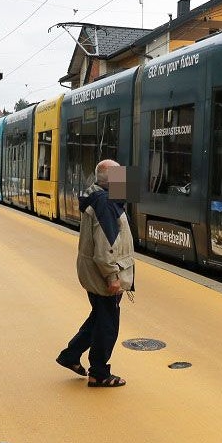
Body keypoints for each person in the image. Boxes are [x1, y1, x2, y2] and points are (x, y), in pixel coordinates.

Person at [56, 159, 135, 388]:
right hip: (103, 274)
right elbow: (105, 246)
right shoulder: (104, 203)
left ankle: (70, 355)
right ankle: (99, 373)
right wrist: (112, 276)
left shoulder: (101, 198)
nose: (125, 179)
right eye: (120, 175)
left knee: (98, 319)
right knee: (108, 326)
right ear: (110, 179)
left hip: (92, 271)